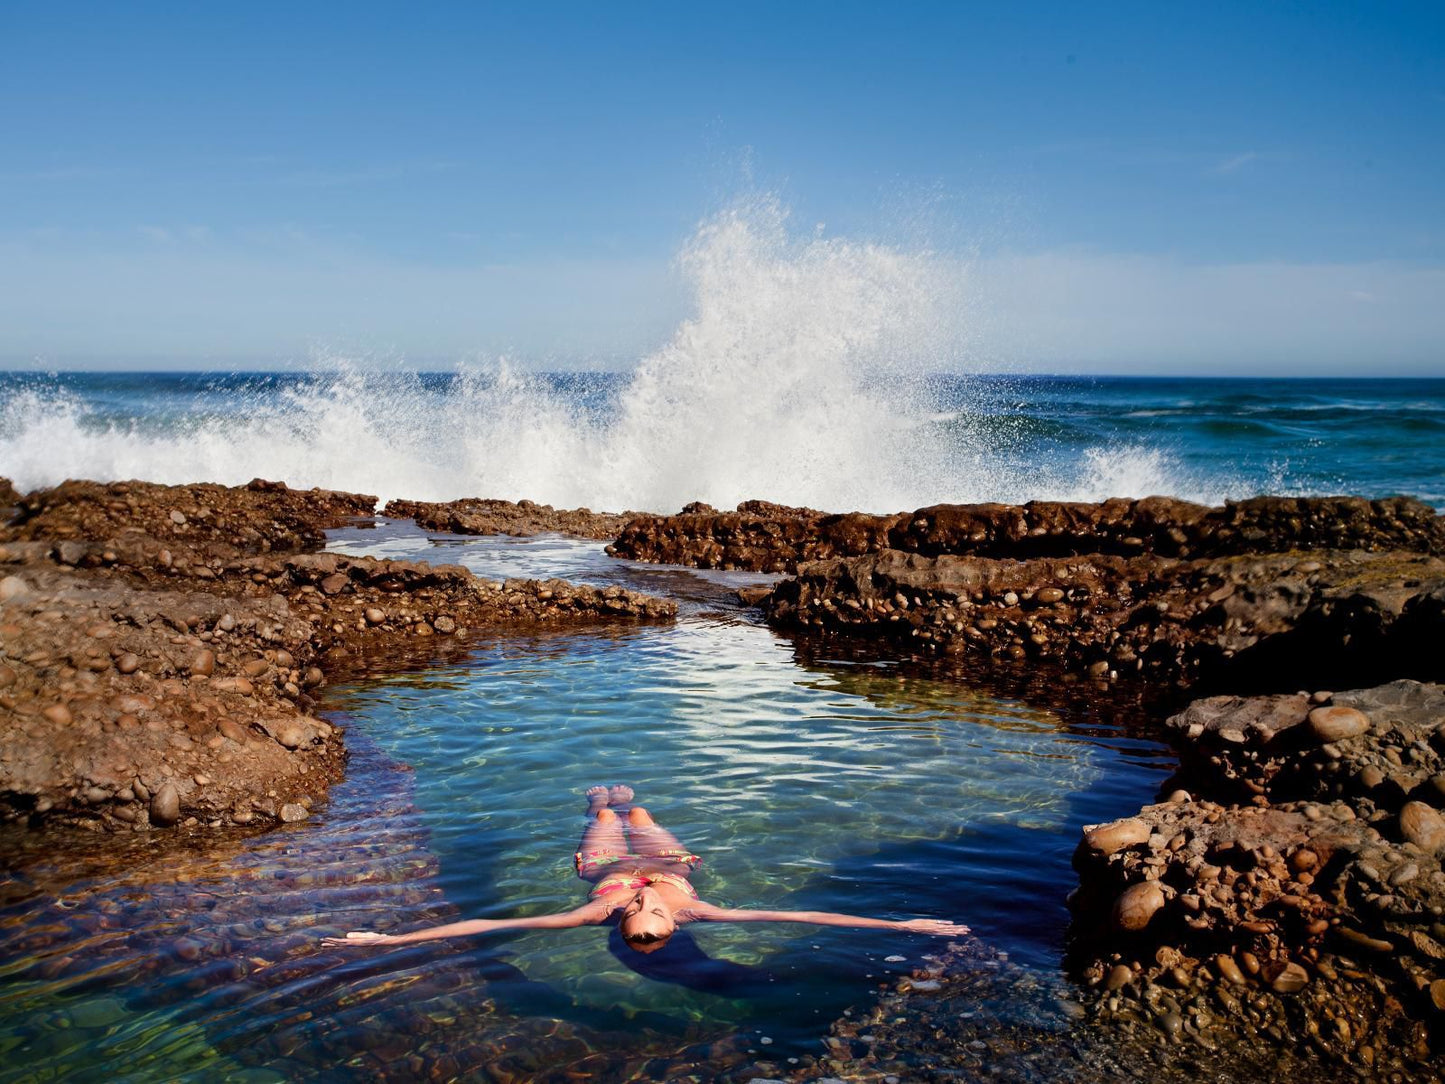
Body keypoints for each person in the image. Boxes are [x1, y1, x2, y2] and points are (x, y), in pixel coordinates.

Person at [322, 785, 969, 955]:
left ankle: (603, 801)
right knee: (645, 812)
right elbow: (801, 913)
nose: (637, 910)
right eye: (647, 916)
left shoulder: (596, 908)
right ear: (668, 922)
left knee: (603, 809)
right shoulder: (696, 908)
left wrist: (392, 939)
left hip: (604, 865)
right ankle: (629, 805)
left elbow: (485, 925)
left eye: (634, 917)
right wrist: (902, 926)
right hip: (664, 861)